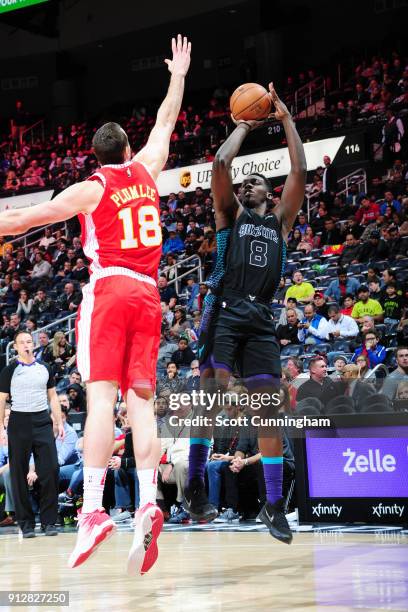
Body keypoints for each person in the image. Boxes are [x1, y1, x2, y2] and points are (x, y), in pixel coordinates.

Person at [0, 35, 191, 575]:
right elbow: (165, 123)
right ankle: (150, 500)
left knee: (102, 397)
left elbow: (23, 221)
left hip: (109, 289)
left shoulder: (93, 186)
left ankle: (91, 510)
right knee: (144, 405)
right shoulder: (149, 168)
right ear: (128, 151)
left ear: (98, 157)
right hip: (152, 293)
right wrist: (176, 75)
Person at [185, 83, 306, 545]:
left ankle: (274, 505)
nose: (246, 182)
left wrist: (286, 120)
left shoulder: (280, 221)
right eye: (245, 181)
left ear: (270, 193)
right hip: (225, 309)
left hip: (260, 319)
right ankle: (196, 486)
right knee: (210, 398)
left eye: (254, 181)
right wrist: (243, 126)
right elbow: (220, 164)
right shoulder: (228, 214)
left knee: (268, 411)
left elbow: (299, 166)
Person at [0, 331, 64, 538]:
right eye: (22, 342)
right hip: (19, 422)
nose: (26, 345)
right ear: (16, 347)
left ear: (33, 345)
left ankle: (48, 522)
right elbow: (1, 400)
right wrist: (1, 426)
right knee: (18, 473)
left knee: (51, 469)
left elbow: (53, 397)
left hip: (42, 421)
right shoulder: (9, 370)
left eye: (29, 341)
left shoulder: (45, 368)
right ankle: (26, 523)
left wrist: (59, 421)